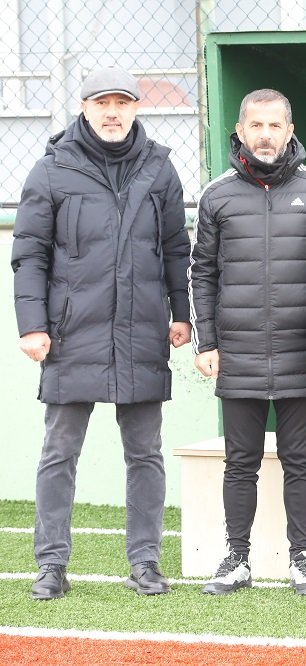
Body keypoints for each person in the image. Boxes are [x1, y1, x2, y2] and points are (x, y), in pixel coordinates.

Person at [12, 66, 191, 600]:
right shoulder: (51, 170)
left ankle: (145, 563)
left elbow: (176, 248)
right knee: (59, 452)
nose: (112, 113)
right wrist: (33, 326)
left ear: (136, 107)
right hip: (71, 334)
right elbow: (29, 254)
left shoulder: (160, 168)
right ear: (84, 107)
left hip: (142, 332)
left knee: (145, 454)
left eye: (122, 102)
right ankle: (51, 565)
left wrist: (181, 314)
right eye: (101, 103)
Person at [189, 88, 306, 597]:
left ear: (290, 130)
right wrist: (206, 343)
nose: (265, 135)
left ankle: (303, 559)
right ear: (240, 130)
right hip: (238, 353)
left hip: (305, 353)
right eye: (256, 125)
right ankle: (236, 559)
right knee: (240, 463)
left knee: (301, 461)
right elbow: (202, 273)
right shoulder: (217, 195)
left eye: (275, 125)